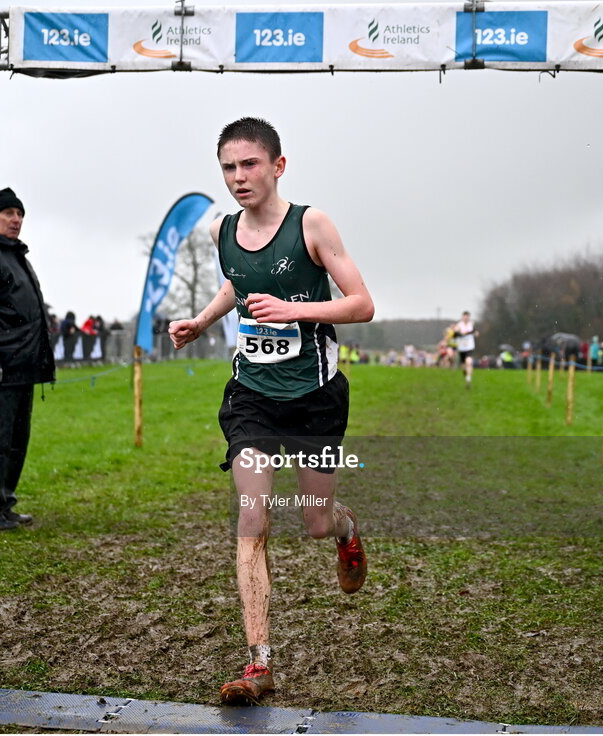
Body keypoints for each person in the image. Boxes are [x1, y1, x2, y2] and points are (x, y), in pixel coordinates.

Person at [168, 117, 374, 705]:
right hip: (252, 394)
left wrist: (297, 309)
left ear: (277, 166)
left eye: (249, 165)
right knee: (253, 513)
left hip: (313, 397)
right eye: (229, 167)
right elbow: (238, 283)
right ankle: (259, 663)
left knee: (314, 519)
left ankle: (346, 529)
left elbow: (362, 304)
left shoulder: (313, 223)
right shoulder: (222, 231)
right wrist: (203, 321)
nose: (238, 177)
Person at [0, 187, 55, 531]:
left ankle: (3, 503)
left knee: (16, 443)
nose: (16, 220)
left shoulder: (15, 254)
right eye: (9, 214)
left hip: (22, 368)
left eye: (20, 215)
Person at [451, 310, 479, 386]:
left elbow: (476, 333)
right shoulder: (459, 325)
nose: (466, 318)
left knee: (468, 362)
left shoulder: (471, 324)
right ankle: (466, 376)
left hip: (470, 347)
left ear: (469, 317)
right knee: (464, 367)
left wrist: (475, 334)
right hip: (461, 348)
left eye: (467, 317)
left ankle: (468, 380)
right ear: (462, 317)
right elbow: (455, 332)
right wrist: (460, 333)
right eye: (464, 317)